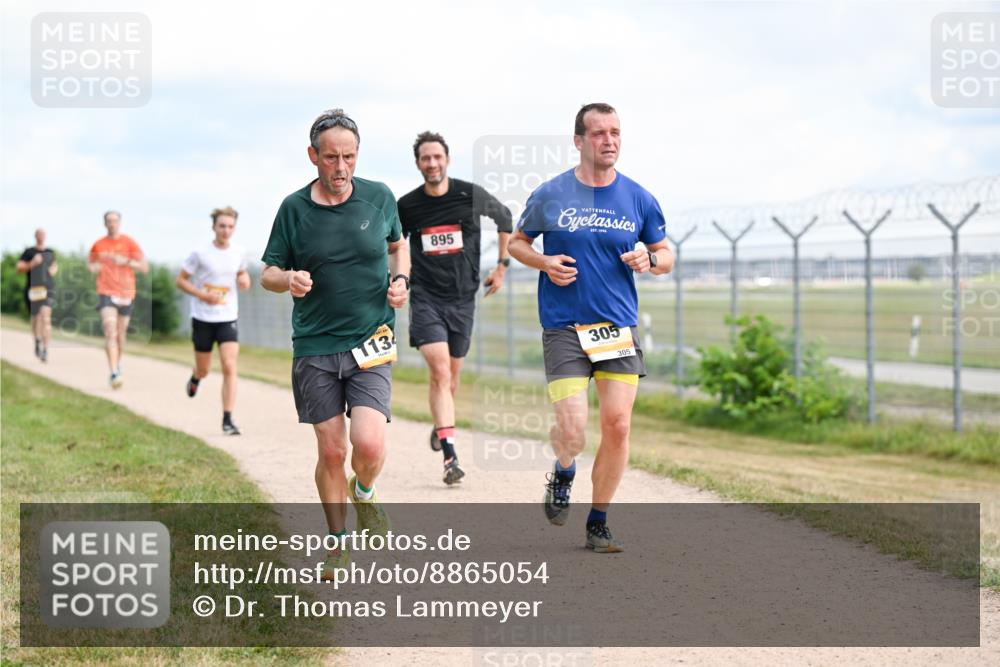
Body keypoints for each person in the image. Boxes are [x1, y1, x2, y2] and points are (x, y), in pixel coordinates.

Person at [507, 103, 674, 553]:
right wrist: (543, 261)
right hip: (564, 326)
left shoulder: (638, 197)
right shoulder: (551, 194)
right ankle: (563, 472)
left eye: (616, 132)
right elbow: (516, 243)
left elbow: (665, 254)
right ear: (579, 140)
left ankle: (598, 521)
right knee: (574, 428)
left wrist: (651, 259)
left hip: (617, 327)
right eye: (598, 133)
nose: (609, 141)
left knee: (618, 426)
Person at [261, 109, 410, 578]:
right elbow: (266, 273)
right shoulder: (293, 209)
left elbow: (397, 244)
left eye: (348, 157)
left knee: (367, 446)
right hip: (315, 345)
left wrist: (400, 279)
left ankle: (363, 492)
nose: (341, 167)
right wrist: (288, 279)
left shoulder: (380, 197)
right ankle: (337, 542)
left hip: (371, 340)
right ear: (313, 157)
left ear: (357, 155)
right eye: (331, 158)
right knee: (330, 451)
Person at [397, 131, 513, 485]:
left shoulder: (470, 194)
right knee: (440, 373)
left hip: (463, 298)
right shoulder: (407, 206)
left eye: (437, 157)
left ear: (447, 159)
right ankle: (450, 456)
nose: (432, 163)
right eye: (425, 158)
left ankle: (441, 425)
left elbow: (505, 218)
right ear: (418, 164)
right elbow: (394, 243)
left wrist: (502, 266)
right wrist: (400, 277)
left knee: (453, 377)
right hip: (426, 298)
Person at [176, 206, 251, 435]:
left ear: (234, 228)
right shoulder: (200, 253)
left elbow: (241, 273)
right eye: (222, 226)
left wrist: (244, 279)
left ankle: (227, 419)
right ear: (214, 227)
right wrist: (202, 295)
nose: (226, 230)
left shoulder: (239, 252)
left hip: (228, 316)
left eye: (230, 226)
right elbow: (181, 281)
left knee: (229, 365)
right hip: (202, 317)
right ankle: (196, 377)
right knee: (205, 369)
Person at [88, 210, 148, 388]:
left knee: (121, 335)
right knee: (110, 330)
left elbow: (144, 267)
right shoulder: (98, 244)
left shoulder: (129, 242)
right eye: (109, 221)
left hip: (126, 292)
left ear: (119, 223)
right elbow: (90, 265)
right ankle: (114, 371)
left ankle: (117, 362)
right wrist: (95, 267)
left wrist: (126, 262)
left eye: (115, 221)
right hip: (106, 291)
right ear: (104, 223)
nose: (112, 224)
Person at [16, 228, 58, 362]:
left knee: (46, 317)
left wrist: (52, 270)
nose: (41, 236)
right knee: (36, 319)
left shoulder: (50, 252)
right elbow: (19, 268)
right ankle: (37, 341)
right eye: (39, 234)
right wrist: (32, 263)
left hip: (47, 288)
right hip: (33, 289)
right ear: (35, 236)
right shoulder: (29, 252)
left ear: (45, 236)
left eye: (43, 234)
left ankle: (45, 350)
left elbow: (54, 266)